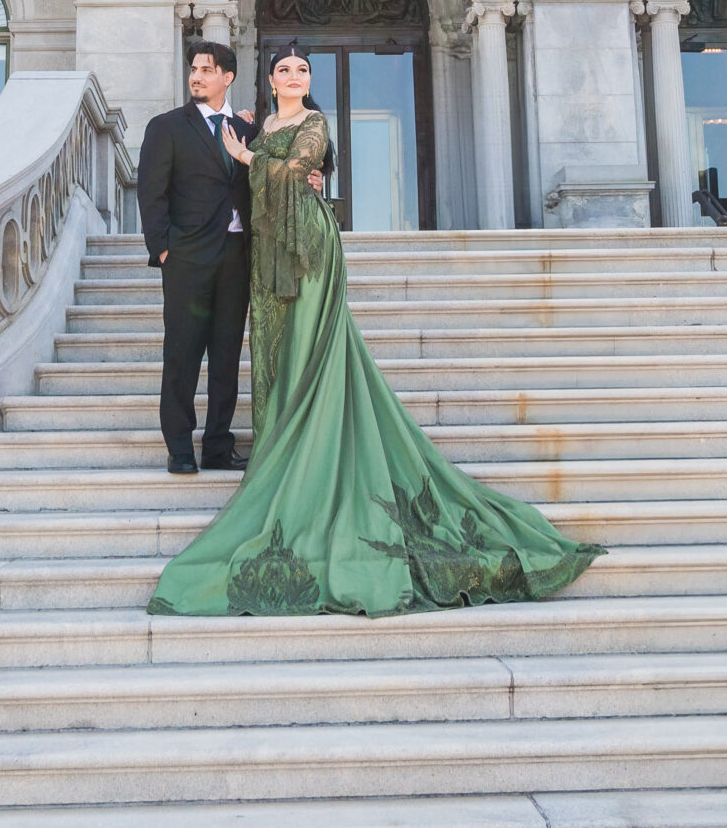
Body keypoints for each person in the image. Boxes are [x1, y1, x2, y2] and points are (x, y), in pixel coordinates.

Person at [148, 46, 603, 617]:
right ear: (267, 80)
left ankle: (302, 447)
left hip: (306, 252)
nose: (293, 76)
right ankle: (252, 441)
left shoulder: (306, 122)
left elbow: (298, 167)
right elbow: (211, 181)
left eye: (303, 70)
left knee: (313, 350)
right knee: (265, 353)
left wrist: (250, 159)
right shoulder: (251, 123)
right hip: (258, 257)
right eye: (284, 69)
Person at [135, 42, 257, 476]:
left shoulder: (248, 131)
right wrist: (163, 248)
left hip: (236, 257)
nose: (197, 76)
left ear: (228, 77)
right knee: (183, 353)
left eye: (207, 69)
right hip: (186, 257)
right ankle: (180, 447)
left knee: (226, 354)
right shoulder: (166, 127)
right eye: (193, 69)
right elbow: (151, 192)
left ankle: (218, 445)